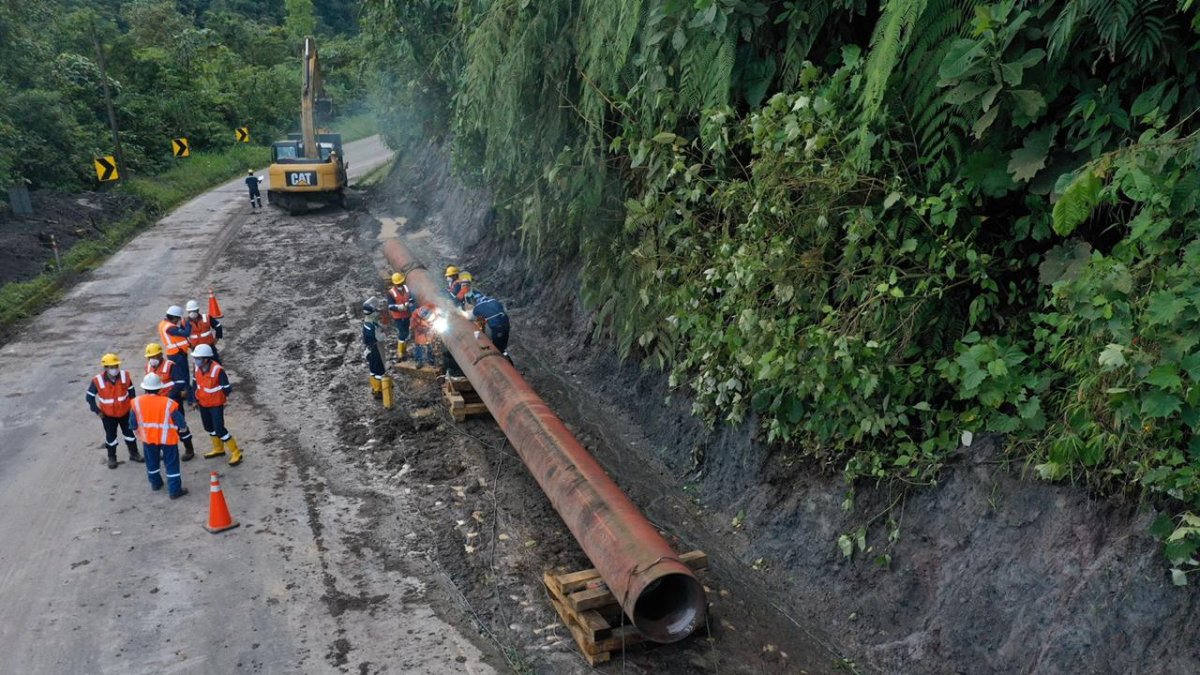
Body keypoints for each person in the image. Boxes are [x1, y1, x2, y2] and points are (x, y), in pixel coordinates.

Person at [129, 373, 189, 499]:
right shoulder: (168, 403)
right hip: (168, 440)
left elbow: (133, 423)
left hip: (148, 439)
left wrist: (136, 431)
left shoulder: (137, 402)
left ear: (145, 388)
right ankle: (174, 490)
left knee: (152, 463)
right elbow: (179, 420)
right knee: (171, 465)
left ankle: (156, 483)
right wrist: (183, 429)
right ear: (160, 388)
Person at [87, 353, 144, 469]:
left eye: (116, 366)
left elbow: (132, 393)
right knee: (111, 437)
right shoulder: (97, 381)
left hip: (125, 412)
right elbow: (89, 397)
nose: (115, 369)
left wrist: (133, 408)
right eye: (111, 367)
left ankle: (134, 454)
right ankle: (112, 458)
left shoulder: (125, 376)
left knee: (129, 435)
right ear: (106, 368)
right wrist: (97, 411)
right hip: (107, 415)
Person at [144, 342, 197, 461]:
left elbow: (179, 382)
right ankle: (166, 450)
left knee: (180, 425)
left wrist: (170, 395)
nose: (152, 359)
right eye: (150, 357)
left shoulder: (170, 366)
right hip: (156, 403)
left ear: (160, 355)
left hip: (172, 401)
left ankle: (189, 449)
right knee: (162, 428)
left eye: (155, 356)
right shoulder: (147, 367)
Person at [192, 344, 242, 465]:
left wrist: (220, 398)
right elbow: (195, 384)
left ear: (206, 358)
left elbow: (227, 389)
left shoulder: (217, 370)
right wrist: (195, 400)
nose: (196, 360)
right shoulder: (197, 368)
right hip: (203, 403)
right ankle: (219, 449)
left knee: (219, 429)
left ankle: (236, 452)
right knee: (209, 427)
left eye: (198, 358)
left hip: (215, 405)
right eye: (195, 358)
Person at [468, 291, 511, 356]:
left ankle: (498, 359)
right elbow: (503, 310)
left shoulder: (478, 306)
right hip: (506, 324)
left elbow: (470, 317)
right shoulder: (494, 301)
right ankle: (506, 358)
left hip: (496, 328)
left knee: (496, 347)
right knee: (503, 347)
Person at [157, 305, 192, 384]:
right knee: (183, 376)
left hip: (174, 353)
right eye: (178, 318)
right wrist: (188, 324)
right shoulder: (170, 327)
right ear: (174, 317)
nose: (179, 321)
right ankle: (186, 393)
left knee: (178, 375)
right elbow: (186, 333)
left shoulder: (163, 324)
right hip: (177, 354)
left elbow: (178, 338)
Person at [386, 272, 414, 360]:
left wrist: (410, 303)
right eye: (398, 284)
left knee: (406, 333)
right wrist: (399, 307)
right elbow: (390, 306)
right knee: (402, 334)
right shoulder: (391, 293)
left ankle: (404, 351)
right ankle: (400, 353)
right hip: (398, 317)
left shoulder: (406, 288)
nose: (400, 285)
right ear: (395, 284)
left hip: (407, 315)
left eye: (401, 283)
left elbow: (411, 298)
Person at [361, 301, 386, 398]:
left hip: (371, 348)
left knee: (373, 368)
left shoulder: (369, 321)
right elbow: (379, 337)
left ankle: (375, 387)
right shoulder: (370, 325)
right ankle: (378, 390)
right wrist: (384, 334)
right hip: (375, 348)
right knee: (378, 370)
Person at [410, 303, 439, 368]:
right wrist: (423, 329)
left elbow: (438, 313)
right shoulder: (415, 317)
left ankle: (431, 360)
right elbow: (413, 326)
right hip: (421, 331)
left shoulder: (431, 307)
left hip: (429, 330)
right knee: (419, 345)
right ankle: (419, 361)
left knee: (430, 344)